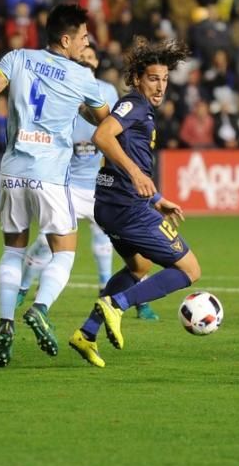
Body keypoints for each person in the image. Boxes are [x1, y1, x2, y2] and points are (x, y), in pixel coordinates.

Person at [0, 3, 109, 368]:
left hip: (12, 171)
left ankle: (5, 325)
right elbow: (105, 121)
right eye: (82, 36)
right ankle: (40, 307)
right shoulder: (82, 77)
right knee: (64, 251)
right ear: (66, 39)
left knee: (12, 252)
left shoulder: (17, 57)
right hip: (50, 176)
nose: (86, 42)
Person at [70, 38, 201, 368]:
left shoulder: (139, 110)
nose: (160, 87)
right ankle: (118, 305)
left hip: (112, 204)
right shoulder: (135, 105)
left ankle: (86, 333)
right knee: (189, 270)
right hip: (126, 206)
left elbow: (114, 136)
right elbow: (103, 137)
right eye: (153, 79)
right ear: (138, 78)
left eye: (165, 79)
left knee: (139, 267)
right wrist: (139, 178)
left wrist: (156, 198)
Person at [16, 45, 160, 321]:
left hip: (99, 182)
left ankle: (129, 297)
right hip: (66, 180)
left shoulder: (107, 92)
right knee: (48, 243)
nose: (88, 59)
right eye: (83, 56)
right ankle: (22, 287)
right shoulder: (60, 88)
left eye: (92, 57)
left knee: (118, 240)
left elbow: (117, 130)